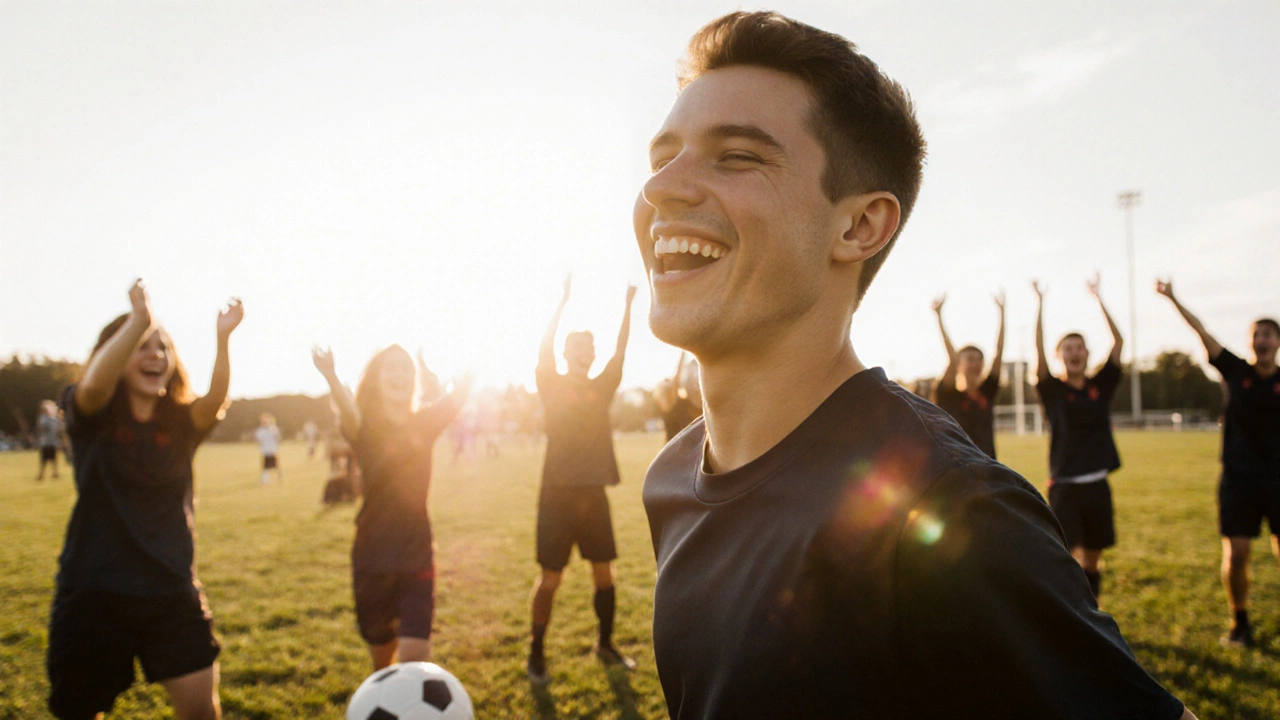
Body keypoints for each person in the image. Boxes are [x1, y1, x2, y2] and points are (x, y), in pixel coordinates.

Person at [635, 12, 1193, 719]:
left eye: (737, 156)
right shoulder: (673, 476)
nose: (662, 189)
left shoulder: (953, 512)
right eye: (661, 158)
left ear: (859, 225)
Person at [47, 279, 242, 720]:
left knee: (201, 712)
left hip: (170, 588)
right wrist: (139, 319)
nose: (156, 354)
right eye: (142, 346)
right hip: (93, 591)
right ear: (114, 355)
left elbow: (214, 400)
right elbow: (94, 385)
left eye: (163, 347)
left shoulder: (180, 424)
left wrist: (223, 339)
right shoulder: (91, 414)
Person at [312, 344, 471, 670]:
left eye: (406, 368)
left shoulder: (425, 422)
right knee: (382, 665)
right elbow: (347, 408)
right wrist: (330, 375)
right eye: (391, 368)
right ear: (376, 379)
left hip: (417, 554)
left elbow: (461, 393)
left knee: (414, 657)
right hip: (373, 557)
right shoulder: (364, 426)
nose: (400, 374)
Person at [1156, 279, 1280, 647]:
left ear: (1277, 342)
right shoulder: (1236, 371)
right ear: (1250, 341)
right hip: (1239, 479)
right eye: (1257, 334)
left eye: (1269, 334)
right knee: (1237, 554)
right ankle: (1240, 622)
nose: (1263, 340)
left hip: (1278, 479)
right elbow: (1201, 330)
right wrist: (1173, 297)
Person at [527, 276, 637, 683]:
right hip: (556, 496)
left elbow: (621, 350)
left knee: (604, 574)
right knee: (550, 579)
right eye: (576, 347)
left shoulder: (602, 387)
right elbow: (543, 347)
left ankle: (605, 645)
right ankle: (536, 653)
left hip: (593, 495)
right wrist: (561, 301)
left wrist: (627, 305)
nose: (584, 352)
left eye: (589, 348)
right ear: (566, 352)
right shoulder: (550, 383)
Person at [1033, 275, 1125, 599]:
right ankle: (1074, 614)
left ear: (1087, 353)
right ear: (1060, 356)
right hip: (1065, 487)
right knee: (1068, 557)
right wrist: (1040, 304)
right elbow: (1038, 352)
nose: (1074, 353)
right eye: (1067, 349)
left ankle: (1092, 610)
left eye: (1079, 347)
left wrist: (1098, 298)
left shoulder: (1100, 386)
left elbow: (1119, 342)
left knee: (1093, 559)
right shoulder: (1052, 390)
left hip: (1097, 485)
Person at [929, 292, 1005, 458]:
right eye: (970, 359)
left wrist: (1002, 313)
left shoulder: (987, 391)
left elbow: (998, 353)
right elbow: (952, 358)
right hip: (958, 470)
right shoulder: (948, 395)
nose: (976, 364)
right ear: (959, 365)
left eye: (979, 360)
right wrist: (939, 317)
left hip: (988, 470)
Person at [652, 352, 702, 442]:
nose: (670, 380)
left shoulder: (679, 402)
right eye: (667, 382)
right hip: (678, 447)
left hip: (677, 446)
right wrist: (683, 352)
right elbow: (677, 376)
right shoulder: (670, 405)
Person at [35, 399, 65, 480]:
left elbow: (59, 429)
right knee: (43, 459)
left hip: (53, 442)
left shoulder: (55, 419)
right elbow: (42, 428)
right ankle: (41, 474)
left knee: (54, 459)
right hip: (45, 442)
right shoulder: (44, 418)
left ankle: (55, 473)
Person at [254, 413, 283, 485]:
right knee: (266, 465)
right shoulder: (260, 430)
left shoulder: (273, 428)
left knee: (276, 464)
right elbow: (258, 440)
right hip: (265, 450)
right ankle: (265, 479)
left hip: (273, 449)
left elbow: (278, 438)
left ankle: (279, 477)